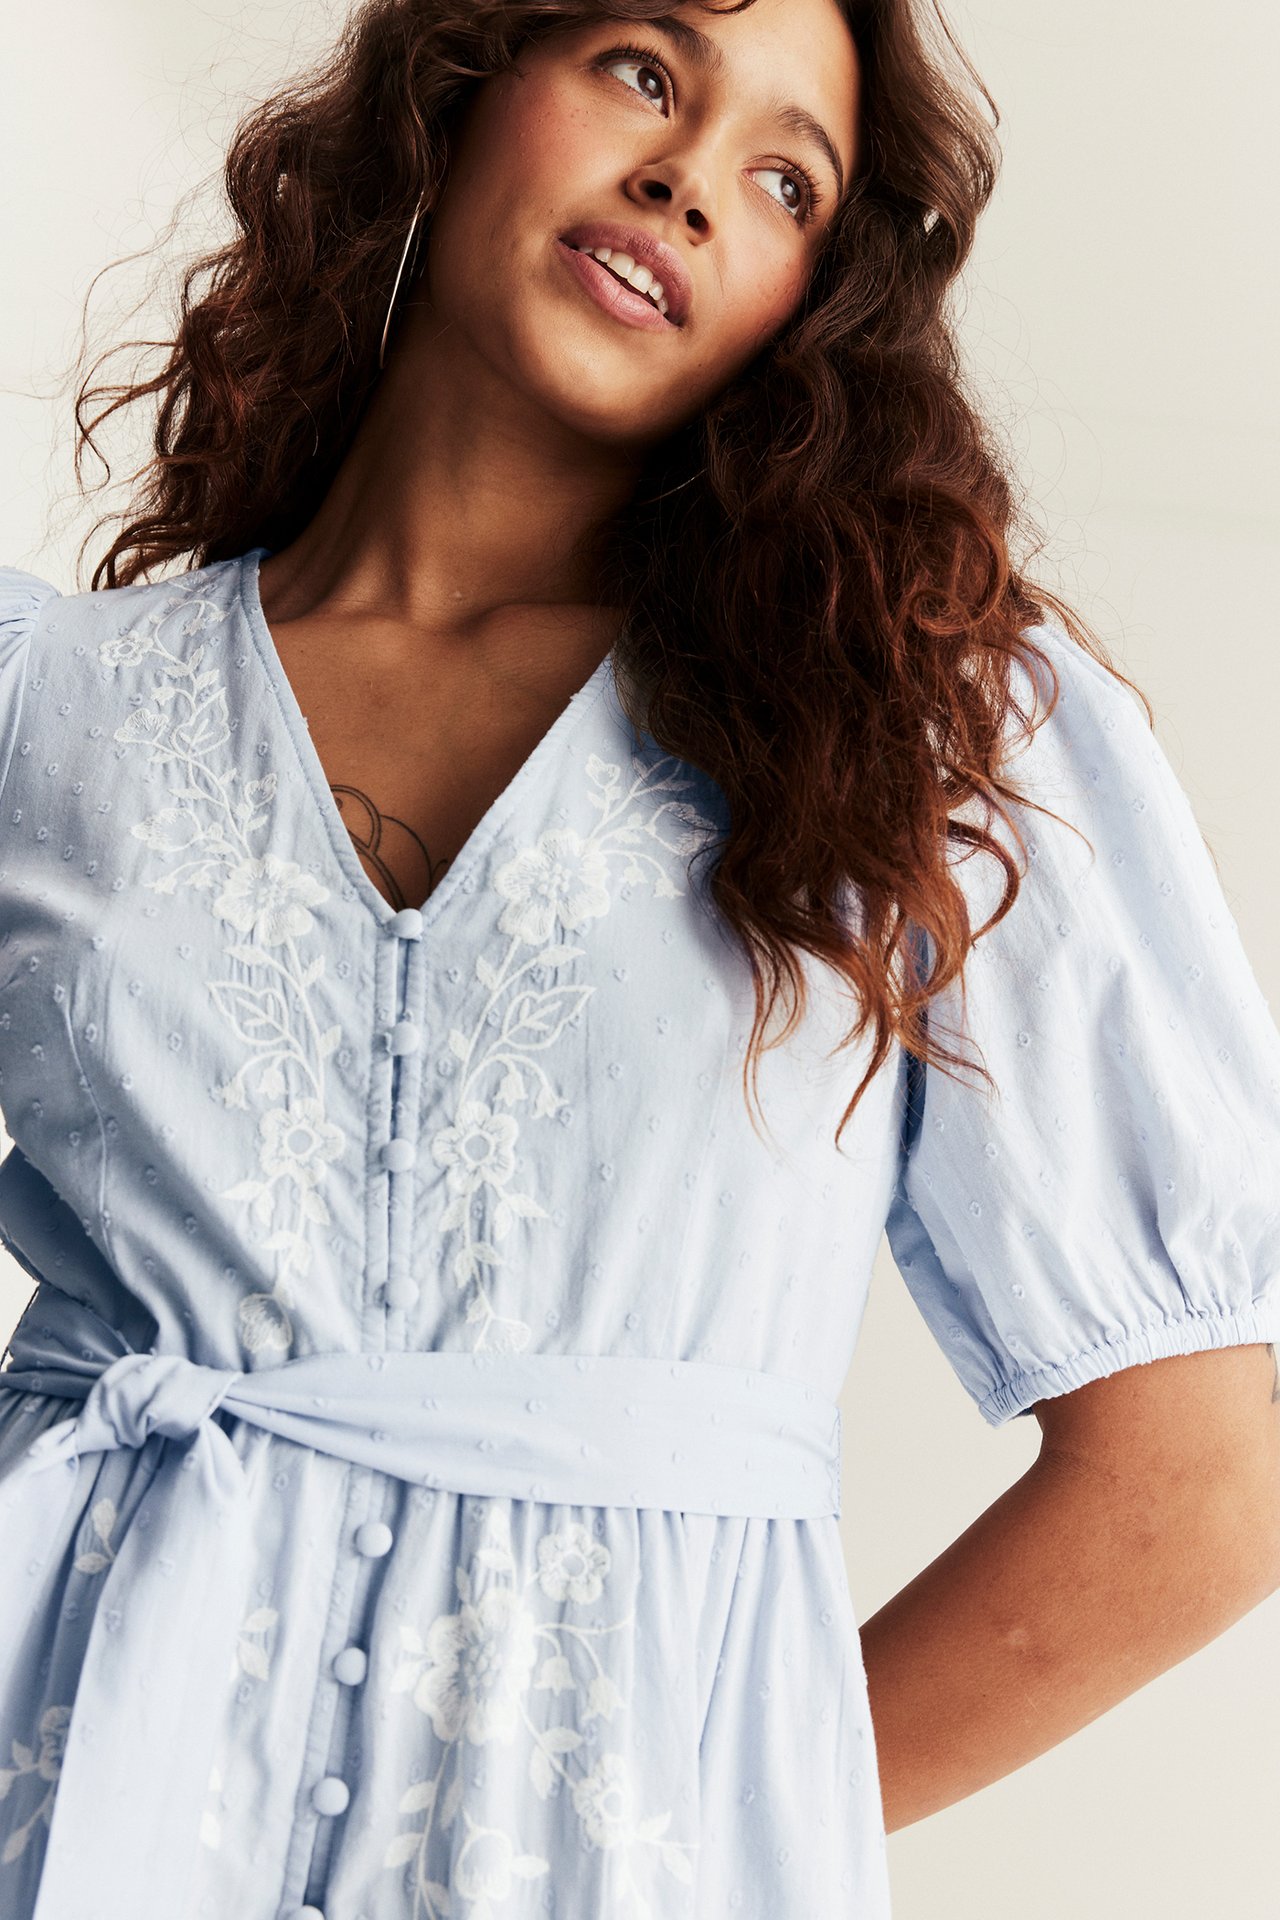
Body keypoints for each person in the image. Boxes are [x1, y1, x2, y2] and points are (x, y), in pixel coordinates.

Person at [0, 0, 1277, 1914]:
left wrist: (726, 1819)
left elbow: (1203, 1477)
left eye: (785, 180)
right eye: (642, 73)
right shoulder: (49, 708)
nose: (687, 179)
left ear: (808, 299)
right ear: (457, 92)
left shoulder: (928, 736)